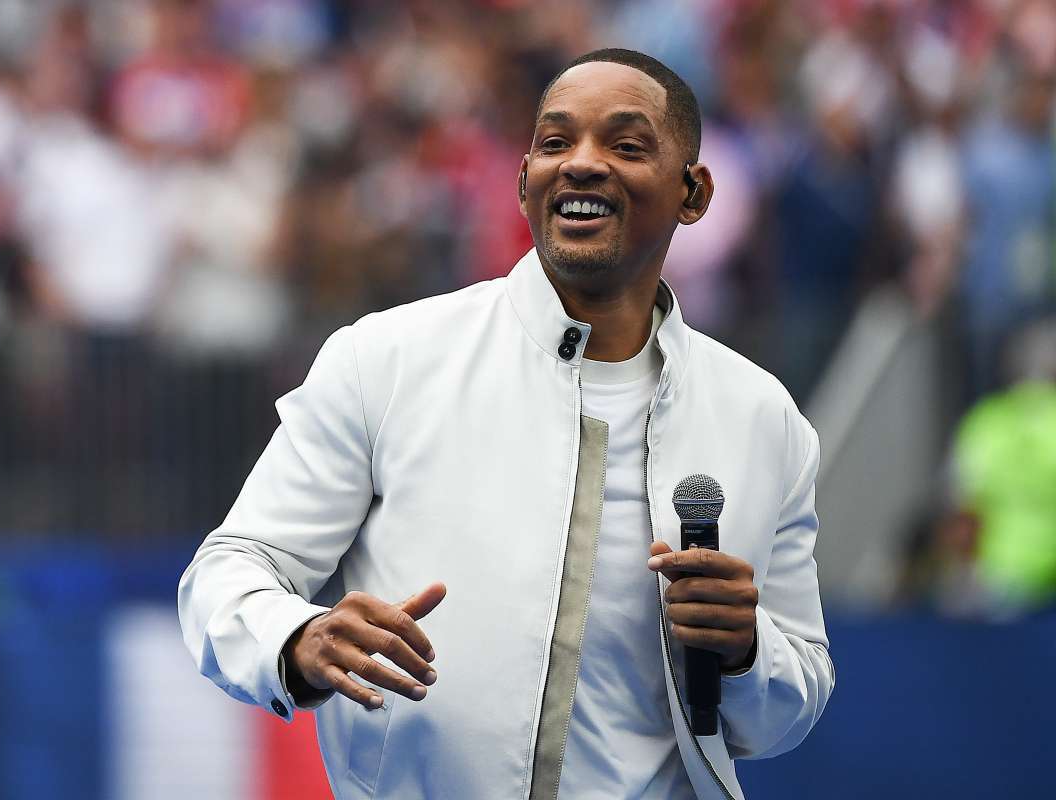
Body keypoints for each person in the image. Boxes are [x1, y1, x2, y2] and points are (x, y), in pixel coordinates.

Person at [179, 48, 834, 799]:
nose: (582, 164)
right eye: (556, 143)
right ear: (523, 180)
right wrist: (296, 639)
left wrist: (748, 650)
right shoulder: (385, 361)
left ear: (694, 193)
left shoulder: (763, 419)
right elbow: (228, 573)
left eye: (625, 145)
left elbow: (795, 698)